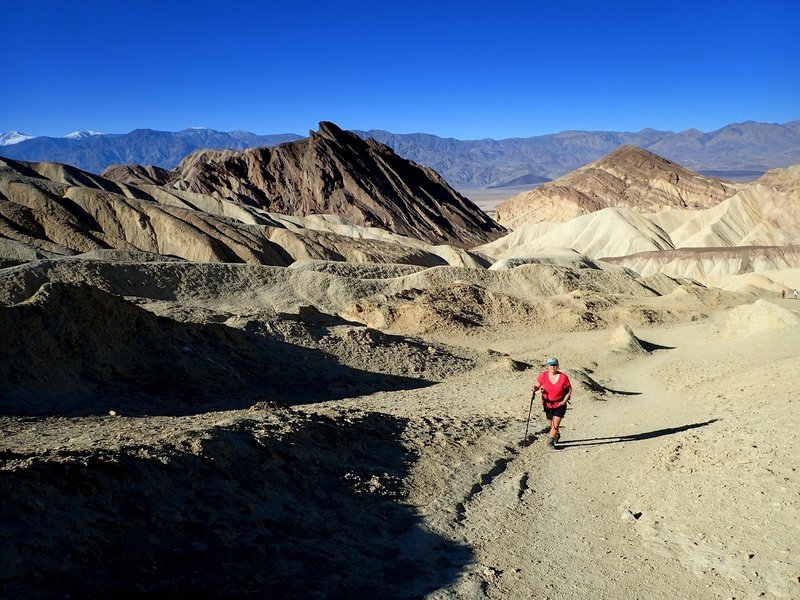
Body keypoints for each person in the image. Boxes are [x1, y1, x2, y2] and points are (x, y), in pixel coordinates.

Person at [531, 357, 572, 449]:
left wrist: (564, 401)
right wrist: (534, 388)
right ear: (548, 366)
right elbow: (537, 385)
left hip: (559, 404)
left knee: (555, 424)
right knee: (551, 423)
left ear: (558, 366)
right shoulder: (543, 375)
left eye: (555, 365)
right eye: (551, 365)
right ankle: (556, 434)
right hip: (547, 403)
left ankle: (550, 441)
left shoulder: (563, 377)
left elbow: (569, 389)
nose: (553, 367)